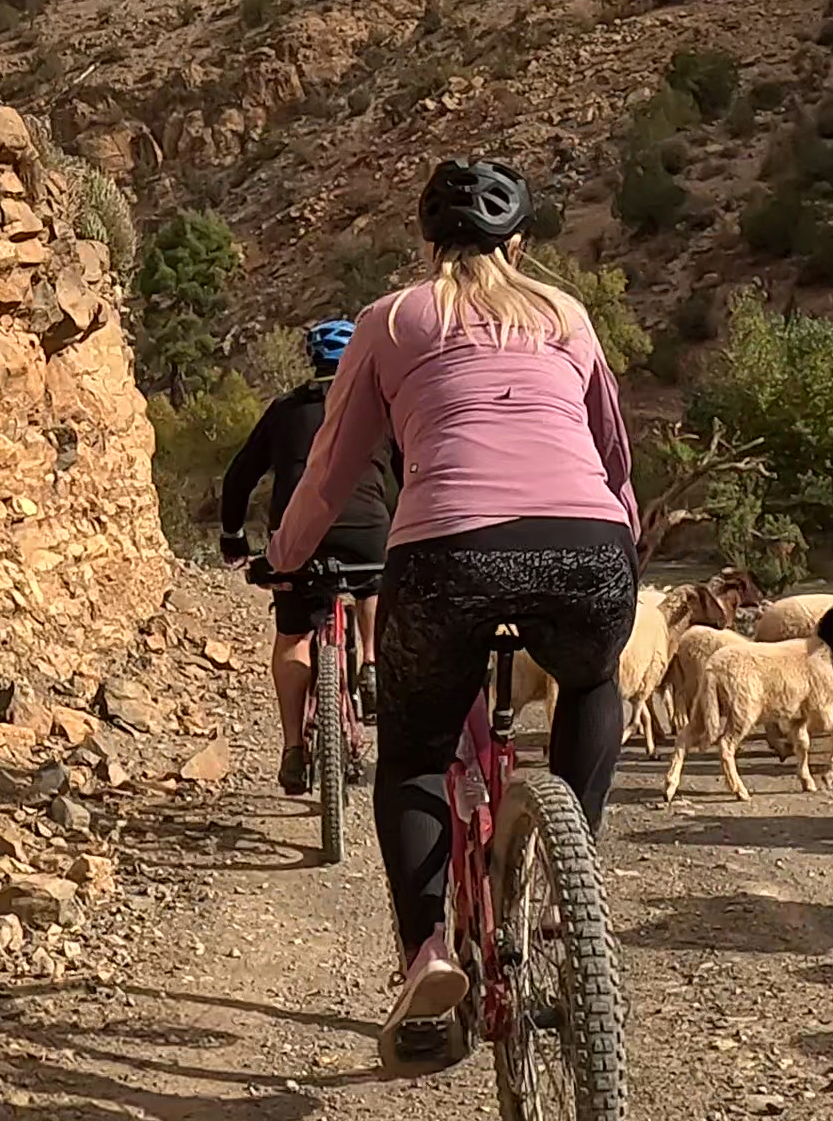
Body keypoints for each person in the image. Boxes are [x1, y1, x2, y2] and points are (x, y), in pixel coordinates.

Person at [268, 160, 638, 1071]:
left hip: (446, 554)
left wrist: (284, 558)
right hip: (586, 545)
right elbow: (614, 455)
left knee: (416, 752)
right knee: (593, 680)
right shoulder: (567, 316)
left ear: (427, 245)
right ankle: (564, 885)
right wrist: (621, 542)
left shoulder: (393, 319)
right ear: (520, 245)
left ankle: (427, 954)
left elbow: (332, 466)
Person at [219, 319, 395, 795]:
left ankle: (294, 749)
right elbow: (408, 471)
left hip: (299, 536)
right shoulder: (380, 407)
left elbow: (240, 476)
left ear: (312, 362)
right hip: (367, 535)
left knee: (293, 635)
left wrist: (233, 535)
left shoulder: (284, 411)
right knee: (373, 580)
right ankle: (371, 662)